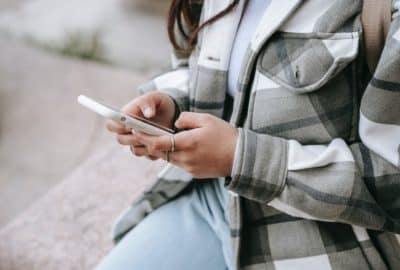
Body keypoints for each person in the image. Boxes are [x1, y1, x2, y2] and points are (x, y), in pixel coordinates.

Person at [96, 0, 400, 269]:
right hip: (212, 205)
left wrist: (243, 159)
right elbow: (193, 60)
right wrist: (171, 105)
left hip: (327, 244)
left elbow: (393, 180)